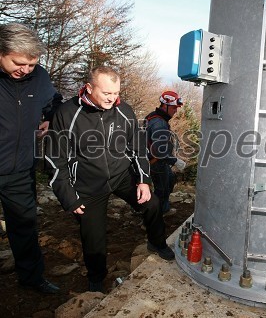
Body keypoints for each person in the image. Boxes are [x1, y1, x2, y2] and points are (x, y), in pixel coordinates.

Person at [45, 66, 175, 293]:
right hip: (88, 183)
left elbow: (137, 148)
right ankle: (96, 277)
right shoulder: (67, 113)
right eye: (106, 93)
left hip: (121, 175)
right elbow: (55, 160)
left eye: (116, 93)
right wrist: (69, 198)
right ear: (89, 88)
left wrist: (143, 180)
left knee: (152, 203)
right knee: (93, 235)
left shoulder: (124, 110)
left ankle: (157, 242)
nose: (112, 98)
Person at [0, 22, 60, 294]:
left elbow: (53, 101)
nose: (25, 70)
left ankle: (32, 278)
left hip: (21, 170)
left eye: (31, 64)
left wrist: (50, 117)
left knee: (24, 227)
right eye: (18, 63)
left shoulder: (40, 78)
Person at [145, 90, 186, 216]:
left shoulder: (155, 117)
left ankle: (164, 208)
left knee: (170, 179)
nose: (176, 111)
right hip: (156, 162)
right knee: (161, 190)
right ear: (165, 105)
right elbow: (159, 151)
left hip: (158, 160)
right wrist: (175, 161)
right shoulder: (159, 123)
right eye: (174, 107)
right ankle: (152, 217)